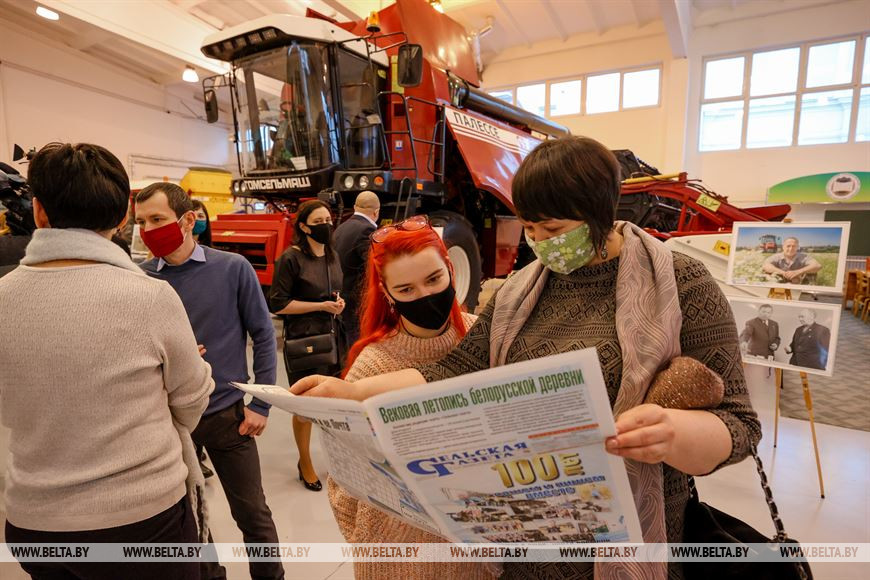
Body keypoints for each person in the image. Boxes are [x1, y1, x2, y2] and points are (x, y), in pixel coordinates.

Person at [291, 137, 761, 579]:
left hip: (627, 539)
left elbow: (739, 426)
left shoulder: (680, 282)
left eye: (553, 228)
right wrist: (353, 392)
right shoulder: (521, 290)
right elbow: (454, 368)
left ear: (599, 212)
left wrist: (674, 434)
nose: (539, 241)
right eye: (530, 226)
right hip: (524, 538)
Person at [0, 143, 213, 580]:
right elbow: (192, 398)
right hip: (142, 518)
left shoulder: (3, 299)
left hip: (37, 522)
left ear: (39, 212)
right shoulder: (149, 296)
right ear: (122, 218)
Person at [327, 215, 489, 580]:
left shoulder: (485, 339)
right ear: (387, 293)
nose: (424, 296)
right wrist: (375, 541)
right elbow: (343, 478)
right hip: (400, 561)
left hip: (480, 550)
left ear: (451, 268)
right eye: (406, 290)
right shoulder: (372, 367)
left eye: (434, 279)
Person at [136, 183, 284, 580]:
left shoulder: (231, 268)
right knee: (190, 519)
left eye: (157, 219)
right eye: (141, 222)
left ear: (188, 221)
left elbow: (263, 334)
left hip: (227, 415)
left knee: (252, 512)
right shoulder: (141, 278)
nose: (148, 229)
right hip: (170, 421)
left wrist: (260, 403)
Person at [270, 199, 346, 491]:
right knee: (305, 407)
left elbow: (335, 292)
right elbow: (278, 304)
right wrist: (319, 306)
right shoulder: (292, 258)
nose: (326, 225)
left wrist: (337, 304)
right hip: (306, 341)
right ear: (303, 227)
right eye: (318, 222)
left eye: (328, 219)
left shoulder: (332, 255)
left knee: (332, 404)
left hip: (333, 339)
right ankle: (305, 462)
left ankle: (338, 461)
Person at [333, 190, 380, 344]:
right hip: (356, 301)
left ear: (354, 207)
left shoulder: (340, 228)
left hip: (340, 296)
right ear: (376, 212)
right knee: (356, 342)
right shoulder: (367, 230)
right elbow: (373, 265)